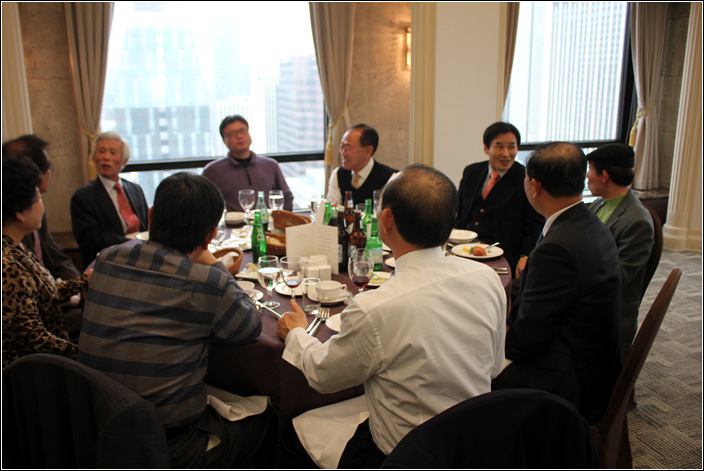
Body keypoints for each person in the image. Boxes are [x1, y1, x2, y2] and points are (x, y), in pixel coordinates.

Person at [277, 164, 506, 468]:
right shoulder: (487, 278)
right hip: (475, 445)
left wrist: (297, 334)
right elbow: (493, 368)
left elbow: (323, 376)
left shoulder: (376, 308)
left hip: (405, 456)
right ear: (453, 217)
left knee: (289, 433)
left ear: (386, 219)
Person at [78, 172, 274, 467]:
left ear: (151, 216)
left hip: (94, 430)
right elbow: (249, 326)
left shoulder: (106, 259)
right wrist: (213, 262)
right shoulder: (206, 282)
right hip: (166, 445)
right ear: (211, 235)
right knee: (271, 419)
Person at [491, 142, 623, 426]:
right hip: (594, 360)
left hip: (571, 381)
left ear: (535, 186)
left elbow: (527, 340)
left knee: (469, 375)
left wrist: (492, 341)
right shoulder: (588, 222)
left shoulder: (558, 248)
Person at [2, 152, 91, 370]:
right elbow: (37, 342)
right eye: (38, 199)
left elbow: (41, 294)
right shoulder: (7, 266)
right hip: (26, 378)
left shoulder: (15, 245)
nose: (42, 206)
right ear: (20, 213)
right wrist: (91, 357)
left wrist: (83, 282)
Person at [586, 143, 654, 356]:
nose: (587, 176)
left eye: (590, 170)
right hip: (589, 299)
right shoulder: (599, 204)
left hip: (607, 316)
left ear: (605, 176)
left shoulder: (638, 221)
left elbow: (617, 276)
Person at [456, 122, 544, 277]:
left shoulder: (525, 178)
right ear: (486, 148)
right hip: (462, 251)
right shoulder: (472, 172)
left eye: (511, 147)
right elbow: (458, 212)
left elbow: (534, 225)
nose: (506, 154)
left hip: (502, 257)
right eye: (500, 147)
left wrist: (525, 255)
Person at [3, 135, 81, 280]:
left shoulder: (34, 212)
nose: (50, 172)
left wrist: (79, 283)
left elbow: (55, 255)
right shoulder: (8, 259)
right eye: (47, 167)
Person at [70, 131, 149, 267]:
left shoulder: (135, 189)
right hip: (109, 262)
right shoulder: (83, 196)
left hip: (142, 259)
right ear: (94, 157)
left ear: (124, 160)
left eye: (113, 152)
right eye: (101, 151)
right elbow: (89, 238)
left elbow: (147, 225)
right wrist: (130, 243)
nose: (106, 157)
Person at [203, 114, 294, 212]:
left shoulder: (271, 165)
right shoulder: (212, 171)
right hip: (232, 222)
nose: (239, 136)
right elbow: (204, 205)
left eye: (242, 131)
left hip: (267, 220)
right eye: (233, 133)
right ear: (224, 141)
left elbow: (287, 197)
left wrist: (283, 219)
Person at [326, 123, 397, 206]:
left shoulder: (390, 178)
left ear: (368, 151)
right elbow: (333, 208)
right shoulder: (338, 175)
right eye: (342, 146)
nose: (342, 153)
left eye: (347, 148)